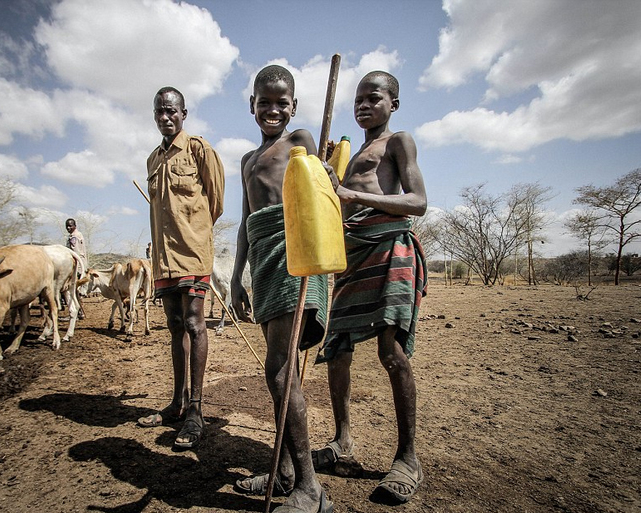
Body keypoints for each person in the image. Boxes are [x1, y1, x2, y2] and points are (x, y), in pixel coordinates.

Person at [312, 71, 428, 505]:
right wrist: (328, 179)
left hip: (389, 249)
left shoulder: (399, 142)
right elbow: (334, 198)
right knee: (337, 350)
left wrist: (354, 197)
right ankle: (342, 440)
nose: (362, 105)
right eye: (357, 99)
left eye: (373, 98)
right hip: (351, 257)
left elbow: (418, 201)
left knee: (391, 354)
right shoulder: (350, 151)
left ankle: (408, 457)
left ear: (393, 103)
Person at [231, 65, 333, 513]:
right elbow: (245, 221)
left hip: (296, 256)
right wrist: (237, 276)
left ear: (294, 106)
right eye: (264, 101)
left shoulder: (301, 140)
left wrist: (324, 171)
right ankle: (286, 471)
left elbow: (320, 188)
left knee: (279, 371)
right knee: (280, 370)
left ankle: (309, 489)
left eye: (281, 102)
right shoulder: (246, 161)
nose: (273, 109)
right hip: (264, 263)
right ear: (251, 105)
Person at [137, 86, 225, 452]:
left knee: (194, 323)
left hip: (192, 253)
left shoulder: (199, 150)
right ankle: (176, 402)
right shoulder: (152, 160)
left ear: (184, 113)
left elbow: (216, 201)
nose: (165, 117)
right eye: (159, 111)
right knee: (174, 327)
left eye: (171, 111)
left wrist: (194, 234)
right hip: (163, 259)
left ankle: (196, 411)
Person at [65, 218, 87, 319]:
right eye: (67, 226)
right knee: (74, 290)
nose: (69, 228)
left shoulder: (74, 237)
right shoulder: (78, 235)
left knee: (72, 290)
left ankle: (78, 312)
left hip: (77, 266)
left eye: (70, 226)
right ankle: (79, 312)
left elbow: (75, 252)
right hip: (79, 265)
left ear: (75, 226)